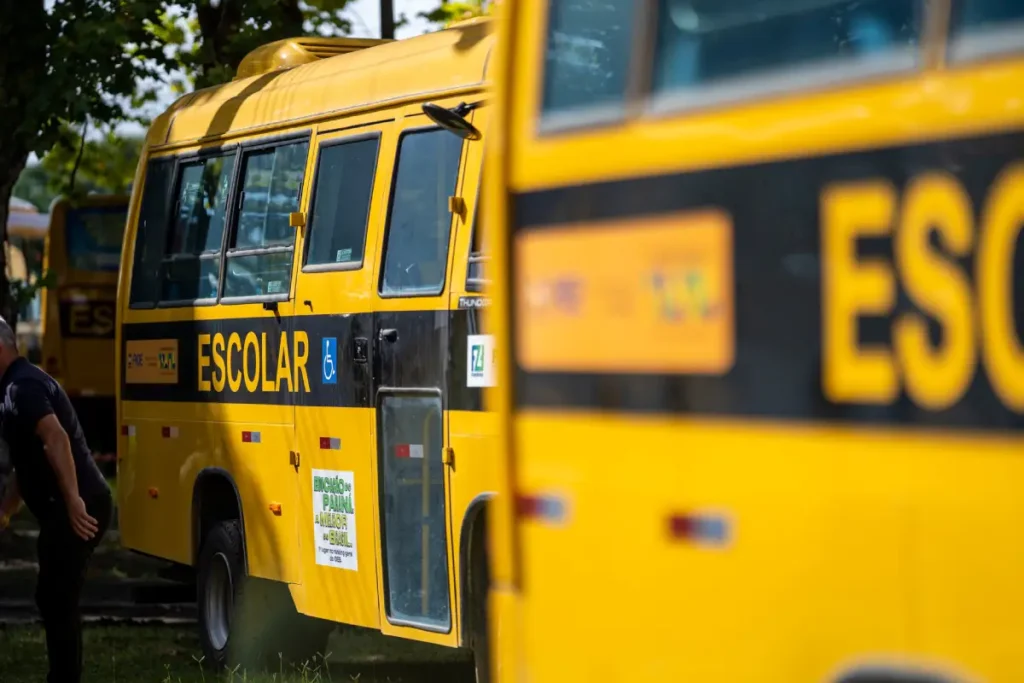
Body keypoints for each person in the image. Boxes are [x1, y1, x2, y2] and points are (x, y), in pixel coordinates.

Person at [0, 316, 112, 683]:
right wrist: (5, 512)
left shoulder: (22, 387)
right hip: (66, 505)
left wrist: (74, 501)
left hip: (79, 504)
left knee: (56, 596)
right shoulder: (15, 385)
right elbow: (28, 462)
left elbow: (56, 439)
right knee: (52, 596)